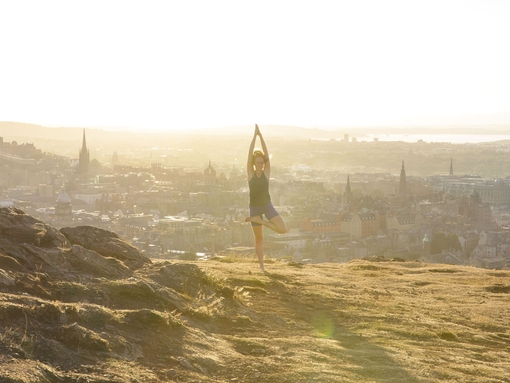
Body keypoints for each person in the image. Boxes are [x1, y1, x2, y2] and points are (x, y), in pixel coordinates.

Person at [245, 124, 287, 271]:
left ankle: (260, 221)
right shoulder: (250, 173)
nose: (259, 165)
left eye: (261, 163)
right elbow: (249, 154)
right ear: (253, 163)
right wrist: (253, 136)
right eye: (257, 162)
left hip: (267, 206)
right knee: (259, 239)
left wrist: (261, 136)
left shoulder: (266, 173)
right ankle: (262, 266)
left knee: (282, 229)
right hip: (255, 208)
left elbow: (267, 156)